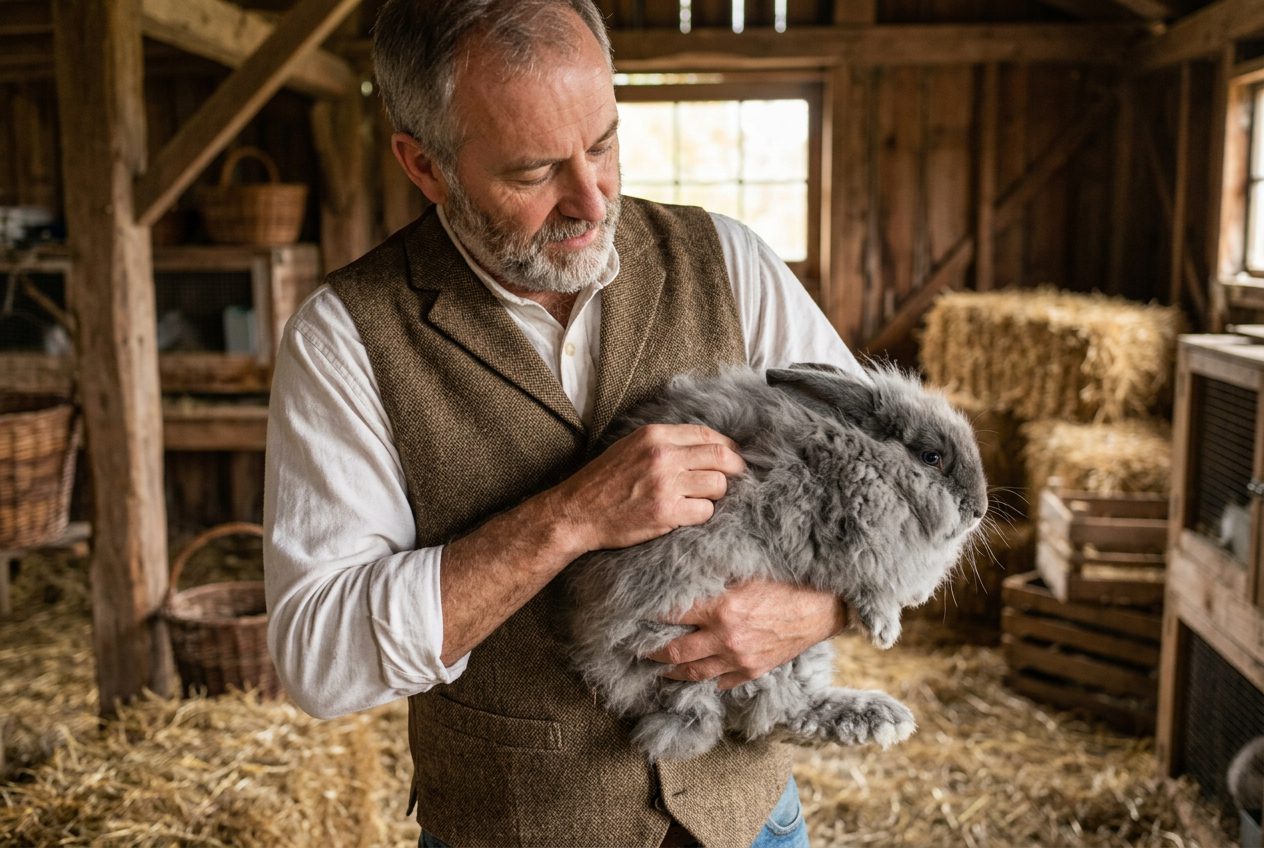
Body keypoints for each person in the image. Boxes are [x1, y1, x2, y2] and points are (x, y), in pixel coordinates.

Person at [263, 1, 864, 845]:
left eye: (605, 143)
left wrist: (825, 610)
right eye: (533, 171)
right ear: (425, 166)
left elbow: (910, 482)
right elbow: (320, 658)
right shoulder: (345, 336)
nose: (591, 199)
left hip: (751, 820)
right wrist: (568, 518)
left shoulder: (727, 261)